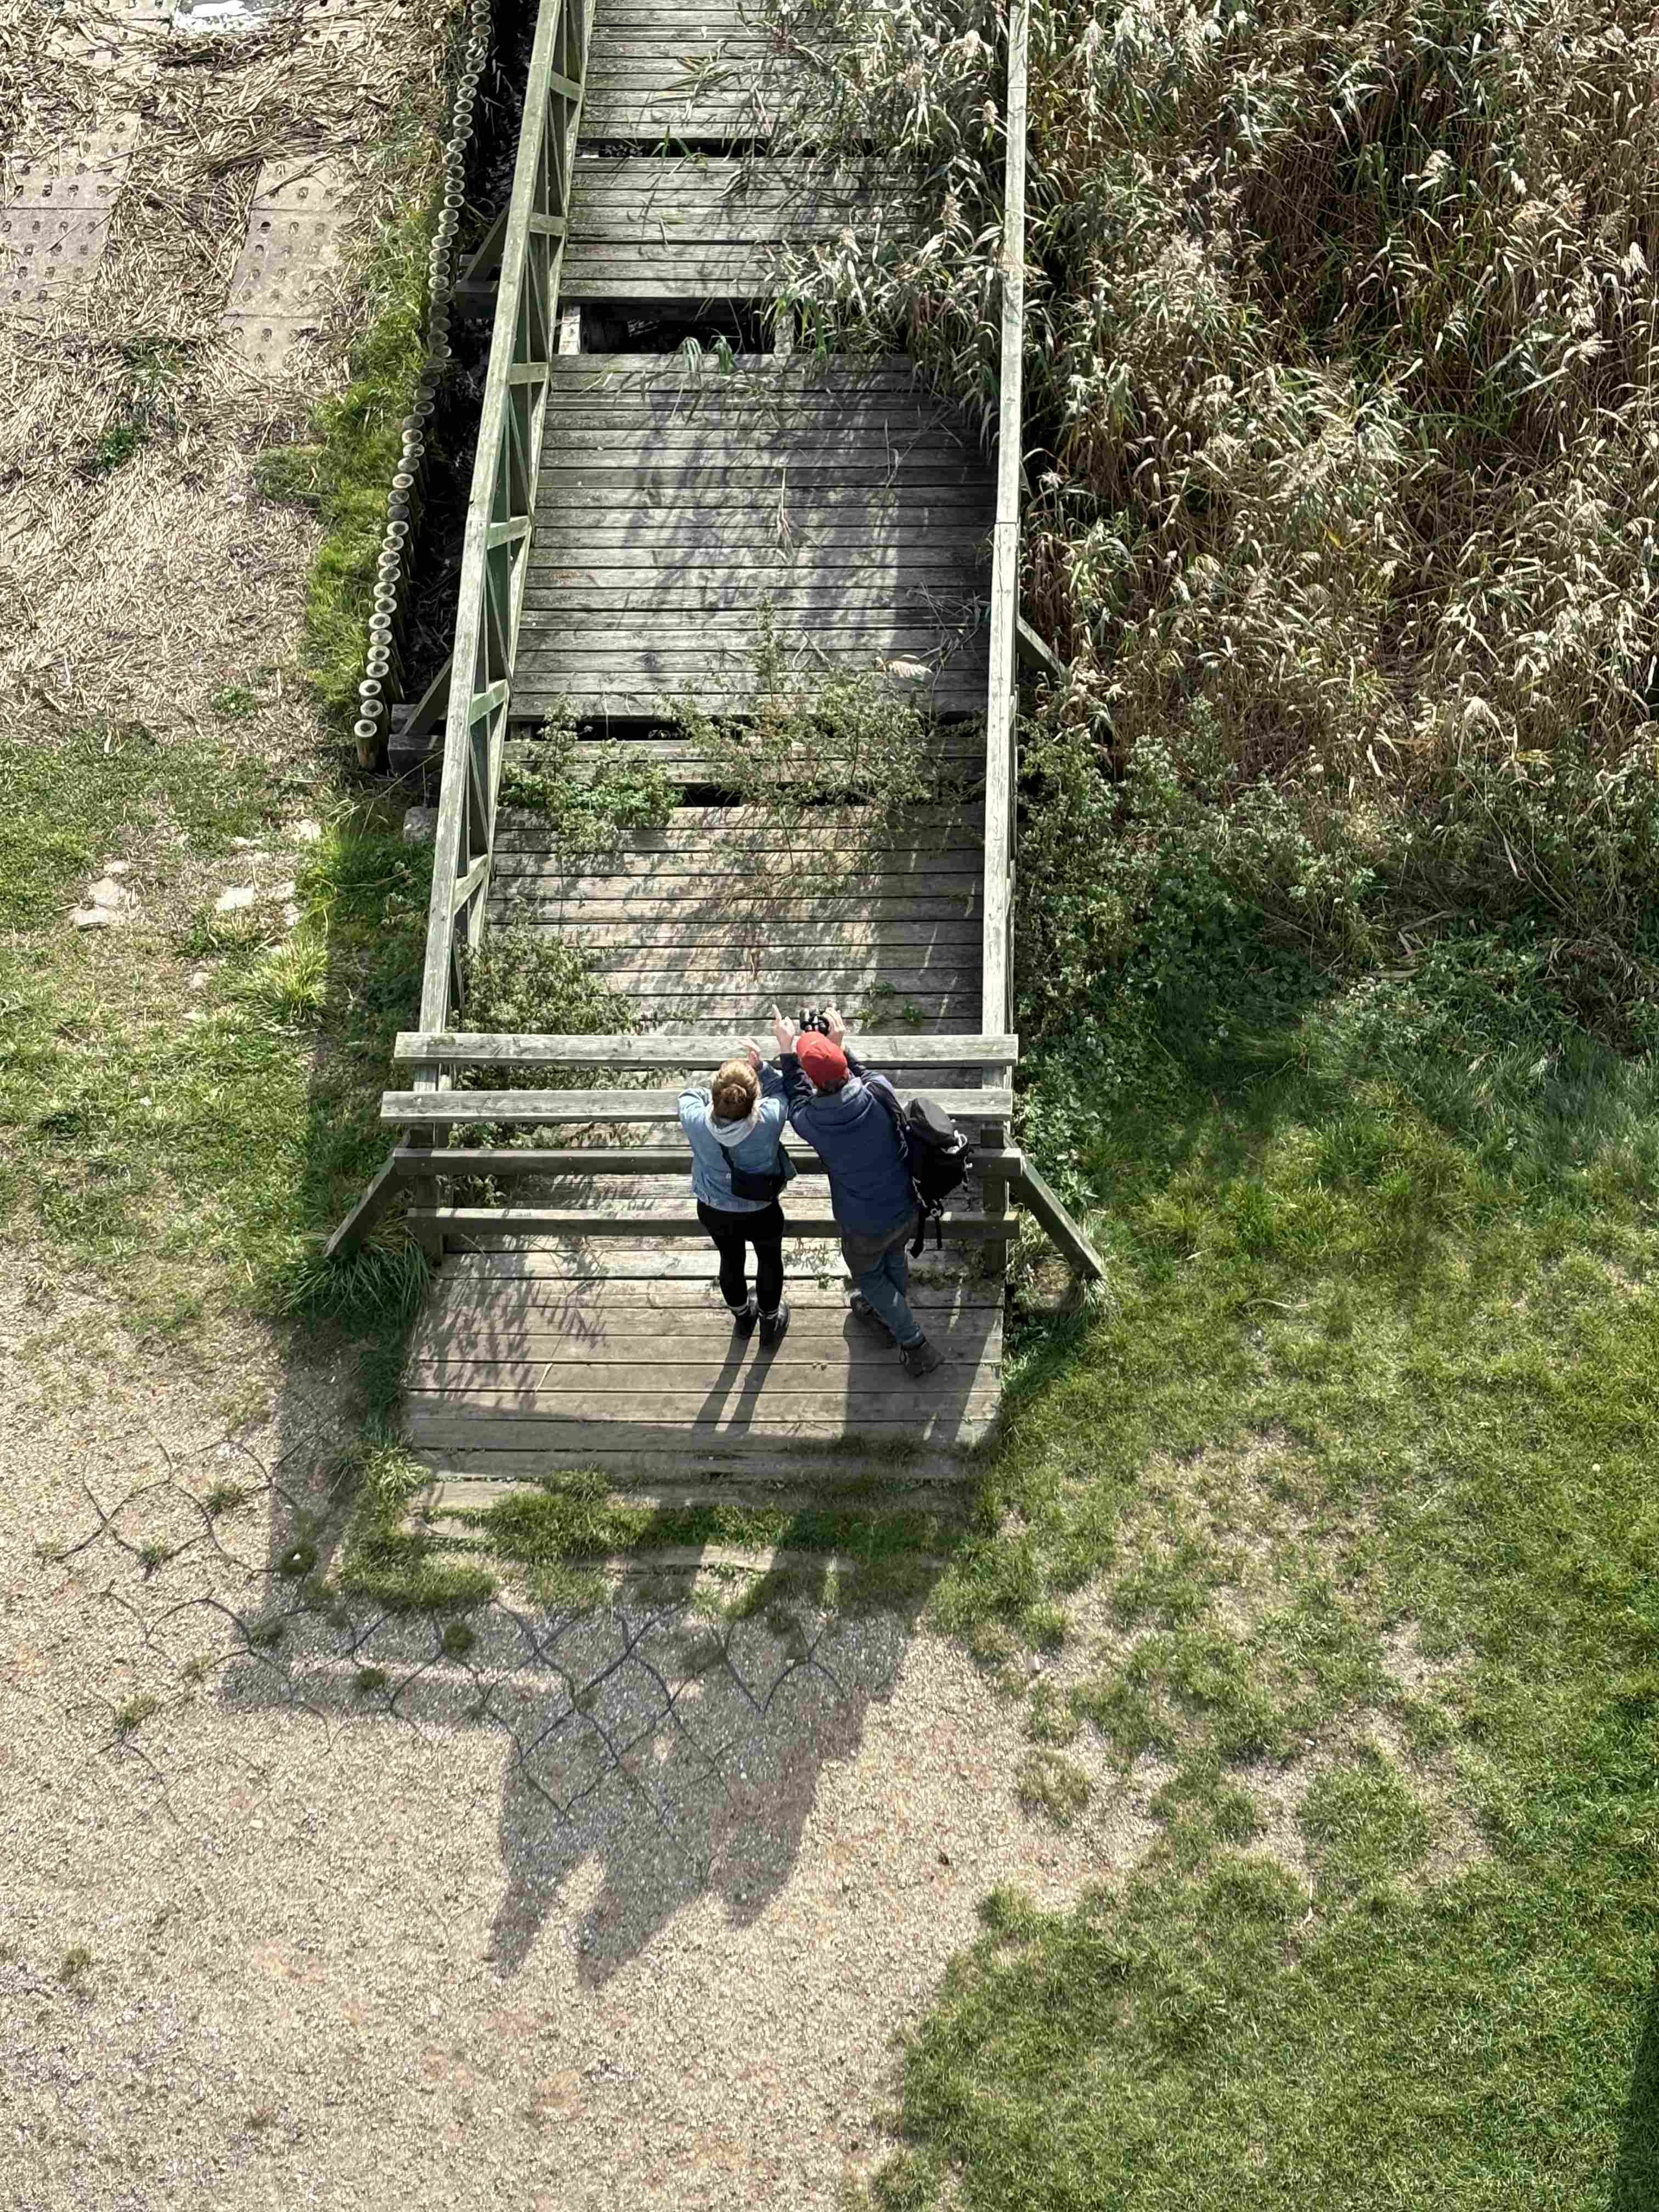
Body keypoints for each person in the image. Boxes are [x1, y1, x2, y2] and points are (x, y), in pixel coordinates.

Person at [771, 1003, 944, 1379]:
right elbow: (862, 1075)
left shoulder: (811, 1122)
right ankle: (888, 1316)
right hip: (906, 1205)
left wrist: (788, 1051)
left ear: (815, 1080)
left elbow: (797, 1096)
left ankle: (914, 1342)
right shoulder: (878, 1091)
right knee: (894, 1258)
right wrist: (839, 1046)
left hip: (864, 1224)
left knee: (870, 1279)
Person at [678, 1047, 793, 1345]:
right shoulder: (768, 1119)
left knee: (730, 1259)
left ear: (718, 1094)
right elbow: (781, 1089)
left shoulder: (695, 1120)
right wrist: (762, 1068)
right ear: (754, 1100)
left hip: (715, 1209)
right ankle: (770, 1322)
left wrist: (720, 1085)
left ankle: (743, 1319)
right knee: (769, 1260)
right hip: (761, 1210)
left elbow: (690, 1095)